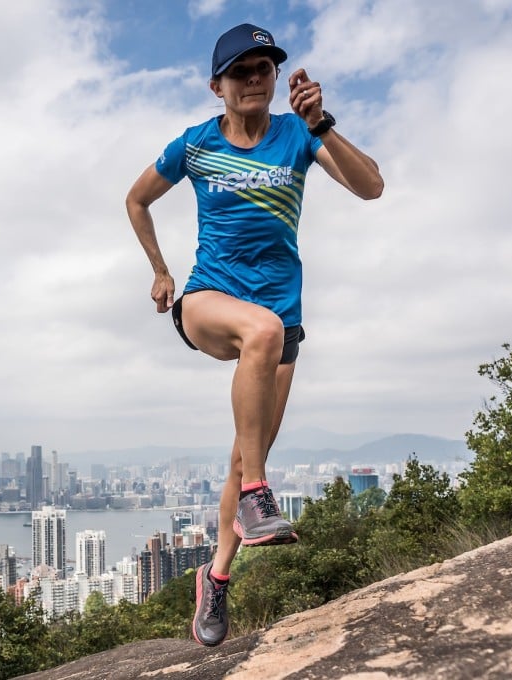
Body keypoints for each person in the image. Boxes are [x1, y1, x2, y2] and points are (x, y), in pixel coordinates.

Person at [125, 23, 383, 647]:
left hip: (279, 315)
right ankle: (259, 495)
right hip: (209, 302)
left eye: (262, 69)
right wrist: (160, 271)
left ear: (273, 80)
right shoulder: (195, 146)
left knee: (247, 452)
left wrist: (321, 124)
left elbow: (371, 186)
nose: (253, 79)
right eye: (240, 71)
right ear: (217, 85)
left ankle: (214, 579)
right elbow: (137, 200)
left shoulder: (298, 135)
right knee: (260, 334)